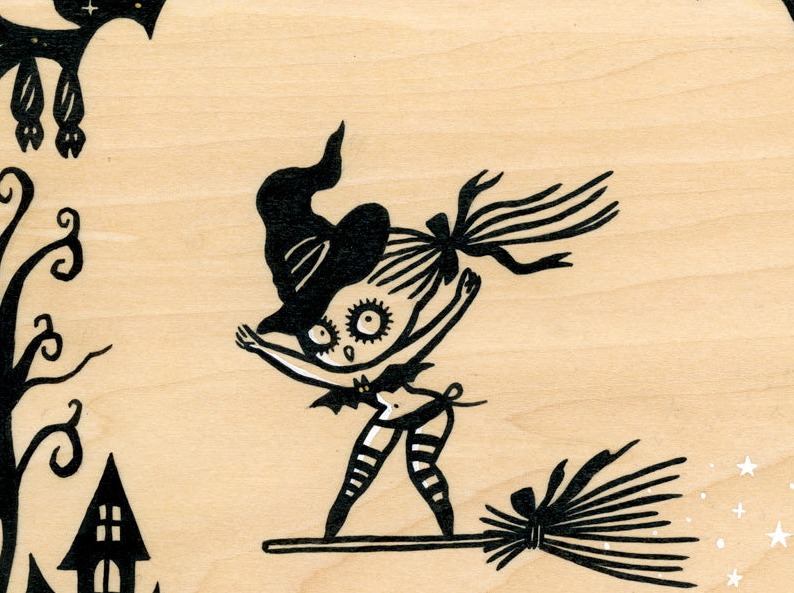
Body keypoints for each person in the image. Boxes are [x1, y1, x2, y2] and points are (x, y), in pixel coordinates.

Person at [238, 122, 618, 538]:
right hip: (389, 412)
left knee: (421, 471)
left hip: (428, 410)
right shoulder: (355, 374)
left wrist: (457, 305)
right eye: (320, 336)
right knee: (356, 479)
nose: (342, 349)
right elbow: (316, 370)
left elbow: (418, 341)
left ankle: (447, 536)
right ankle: (329, 538)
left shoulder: (370, 369)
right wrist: (263, 349)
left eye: (365, 320)